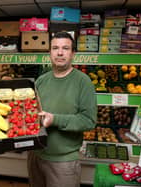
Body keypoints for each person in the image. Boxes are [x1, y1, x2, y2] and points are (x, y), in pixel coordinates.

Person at [27, 32, 97, 187]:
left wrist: (54, 120)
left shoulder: (83, 82)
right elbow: (32, 112)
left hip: (63, 161)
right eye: (55, 48)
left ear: (73, 54)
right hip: (35, 155)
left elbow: (88, 121)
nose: (59, 52)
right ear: (49, 53)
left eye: (65, 48)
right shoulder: (41, 80)